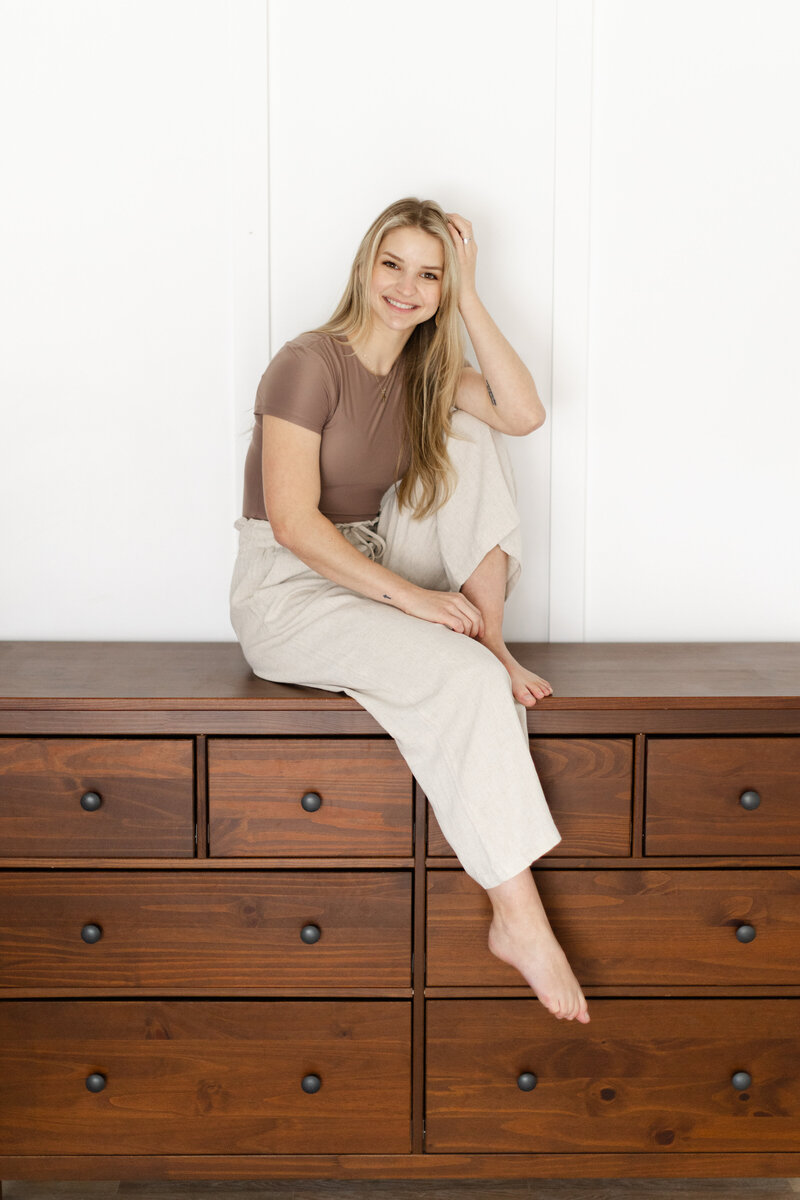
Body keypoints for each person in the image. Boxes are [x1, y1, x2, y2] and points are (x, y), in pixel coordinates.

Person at [230, 197, 590, 1024]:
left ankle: (490, 639)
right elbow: (291, 522)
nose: (406, 286)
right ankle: (520, 920)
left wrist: (468, 295)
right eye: (394, 264)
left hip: (380, 557)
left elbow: (524, 413)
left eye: (429, 273)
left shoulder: (425, 371)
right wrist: (419, 602)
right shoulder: (306, 363)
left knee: (469, 434)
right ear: (365, 266)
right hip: (291, 585)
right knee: (460, 682)